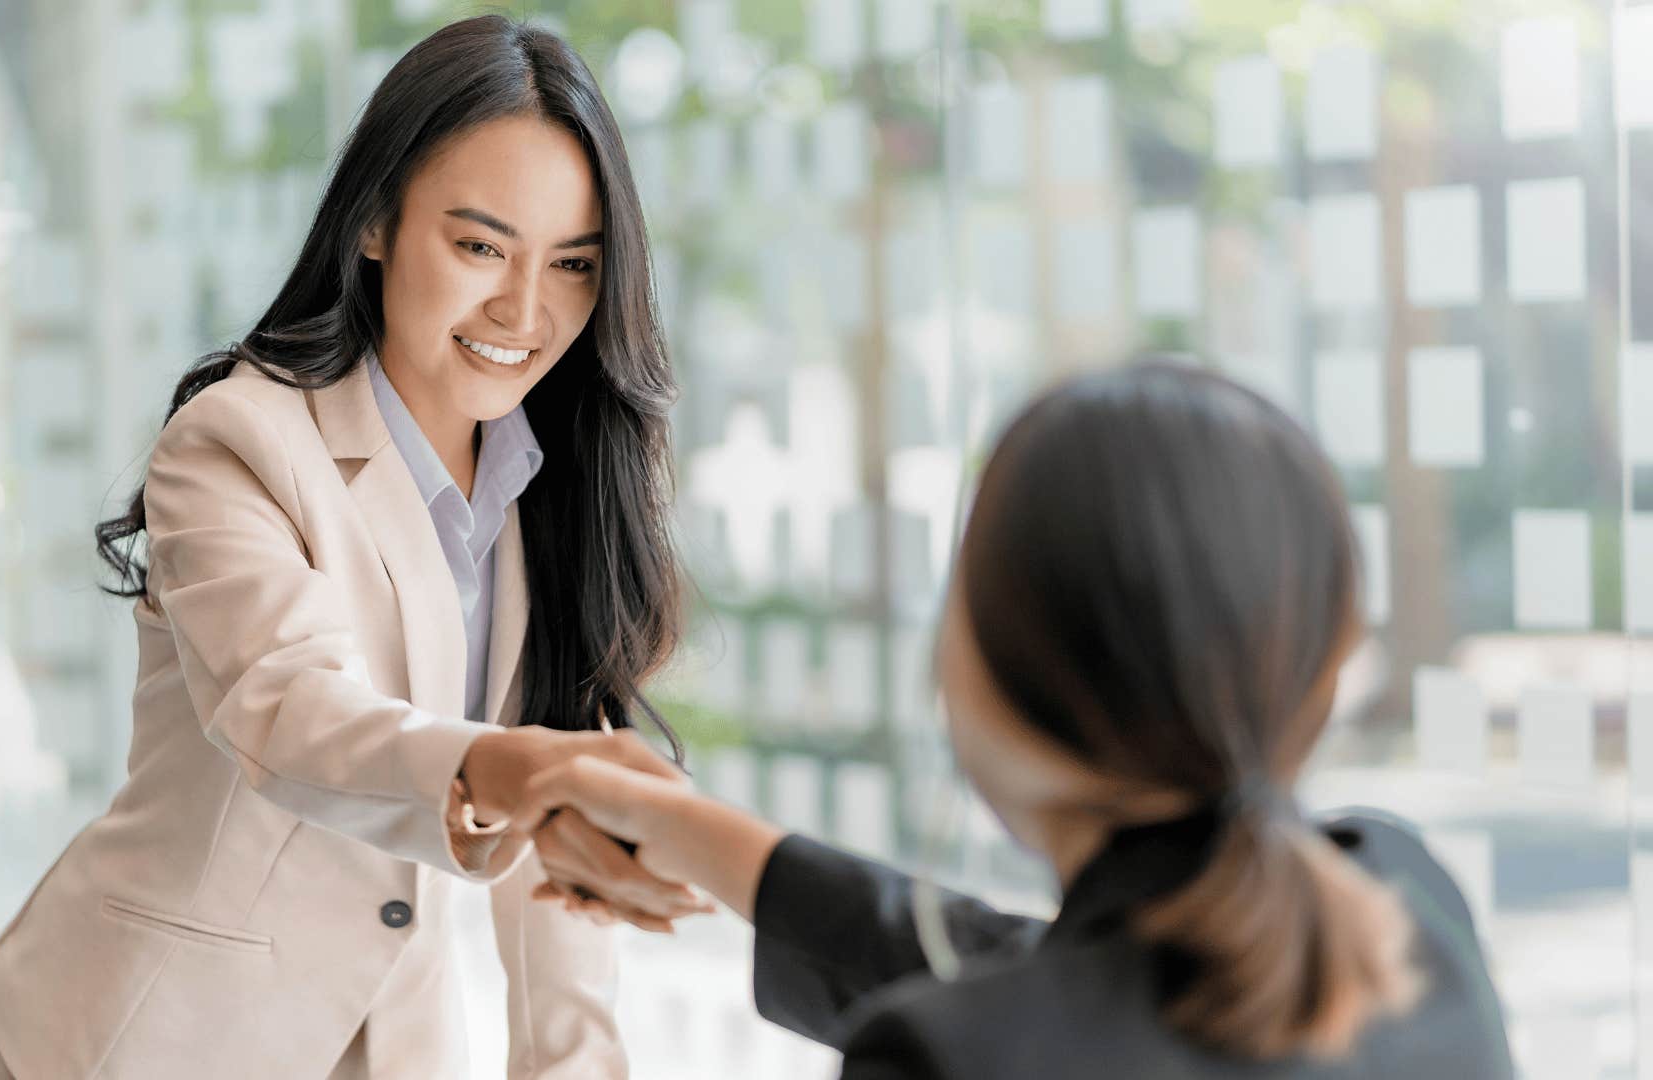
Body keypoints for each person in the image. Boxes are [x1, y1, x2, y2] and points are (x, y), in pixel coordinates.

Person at [0, 16, 706, 1079]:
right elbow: (292, 716)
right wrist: (507, 764)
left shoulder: (561, 491)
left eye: (574, 264)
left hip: (387, 1045)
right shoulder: (237, 441)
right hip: (137, 1042)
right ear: (375, 224)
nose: (526, 309)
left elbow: (558, 889)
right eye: (481, 245)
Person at [512, 363, 1516, 1078]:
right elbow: (1060, 983)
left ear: (989, 668)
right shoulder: (1407, 902)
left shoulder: (948, 1056)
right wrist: (704, 839)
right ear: (1323, 666)